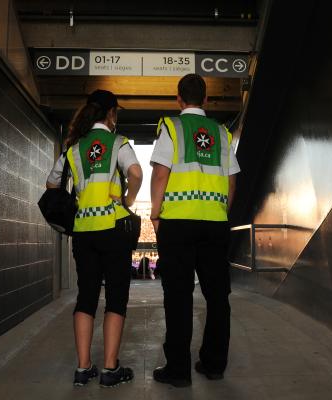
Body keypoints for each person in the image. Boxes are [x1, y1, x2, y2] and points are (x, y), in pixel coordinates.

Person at [46, 89, 142, 388]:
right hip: (114, 228)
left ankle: (83, 367)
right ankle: (111, 369)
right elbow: (136, 173)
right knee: (116, 297)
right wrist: (127, 198)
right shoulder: (118, 143)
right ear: (111, 114)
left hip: (84, 231)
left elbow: (51, 183)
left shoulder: (73, 148)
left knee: (86, 297)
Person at [149, 74, 240, 387]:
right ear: (206, 100)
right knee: (218, 295)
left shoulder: (172, 129)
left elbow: (161, 174)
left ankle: (178, 370)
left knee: (178, 296)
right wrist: (219, 212)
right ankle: (214, 364)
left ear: (178, 99)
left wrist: (155, 213)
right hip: (214, 224)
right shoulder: (222, 133)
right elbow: (231, 182)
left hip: (177, 224)